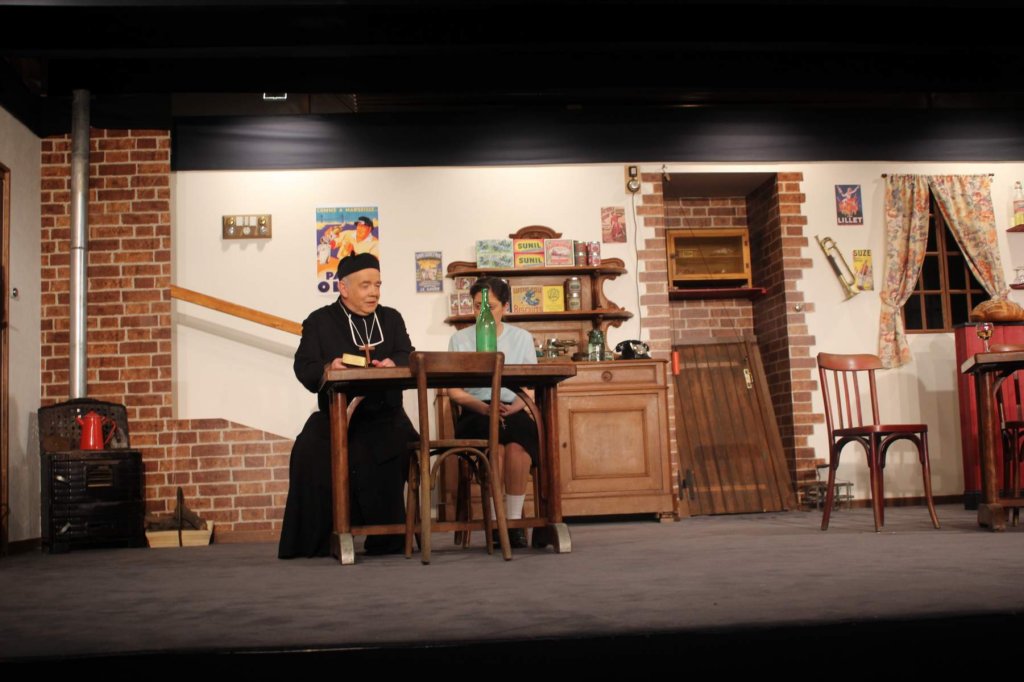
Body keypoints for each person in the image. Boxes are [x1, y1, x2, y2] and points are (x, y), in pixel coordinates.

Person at [279, 253, 416, 558]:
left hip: (385, 415)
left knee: (387, 444)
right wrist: (329, 367)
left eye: (377, 285)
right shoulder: (319, 321)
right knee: (308, 449)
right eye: (365, 285)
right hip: (336, 415)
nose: (374, 292)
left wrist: (395, 362)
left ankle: (387, 537)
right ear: (343, 288)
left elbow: (408, 354)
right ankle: (319, 540)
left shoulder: (391, 318)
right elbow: (304, 365)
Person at [447, 276, 539, 549]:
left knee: (518, 448)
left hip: (513, 406)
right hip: (477, 409)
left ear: (505, 307)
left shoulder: (522, 338)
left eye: (491, 306)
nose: (483, 312)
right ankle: (498, 523)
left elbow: (531, 386)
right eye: (478, 306)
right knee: (495, 450)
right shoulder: (459, 339)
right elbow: (455, 392)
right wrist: (484, 408)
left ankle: (513, 523)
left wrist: (515, 407)